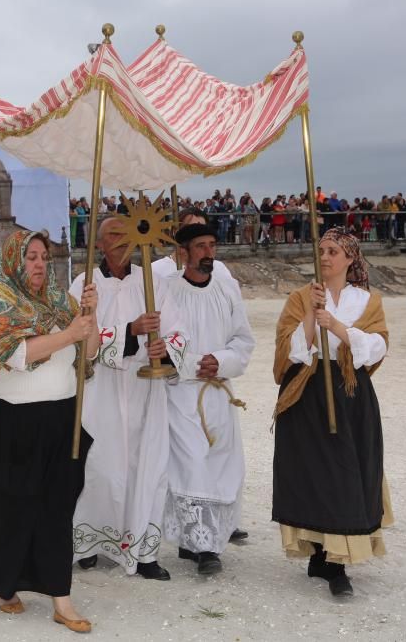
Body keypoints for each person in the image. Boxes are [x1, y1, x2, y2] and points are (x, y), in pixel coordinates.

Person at [0, 230, 100, 633]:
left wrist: (90, 316)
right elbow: (16, 354)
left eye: (44, 257)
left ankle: (61, 599)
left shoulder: (62, 301)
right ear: (13, 259)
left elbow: (92, 351)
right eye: (30, 256)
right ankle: (4, 583)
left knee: (57, 509)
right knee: (11, 508)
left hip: (62, 418)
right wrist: (70, 334)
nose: (38, 264)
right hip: (14, 422)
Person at [272, 227, 392, 597]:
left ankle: (337, 561)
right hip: (308, 393)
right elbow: (289, 351)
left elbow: (378, 347)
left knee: (346, 471)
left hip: (350, 395)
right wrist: (311, 312)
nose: (325, 257)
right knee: (314, 473)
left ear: (350, 258)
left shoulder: (367, 301)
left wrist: (338, 327)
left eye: (333, 251)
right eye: (321, 250)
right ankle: (321, 553)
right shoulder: (300, 297)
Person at [71, 217, 189, 581]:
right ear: (101, 243)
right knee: (99, 468)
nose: (122, 244)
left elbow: (179, 331)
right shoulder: (85, 284)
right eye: (114, 237)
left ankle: (144, 552)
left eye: (127, 237)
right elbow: (78, 335)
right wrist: (131, 333)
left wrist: (164, 349)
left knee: (147, 468)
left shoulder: (152, 283)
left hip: (144, 390)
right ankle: (89, 543)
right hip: (101, 390)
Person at [161, 224, 255, 575]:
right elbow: (162, 339)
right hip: (182, 393)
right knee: (191, 464)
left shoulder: (228, 289)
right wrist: (192, 364)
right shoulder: (166, 290)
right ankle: (204, 549)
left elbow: (243, 340)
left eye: (212, 245)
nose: (208, 252)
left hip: (220, 392)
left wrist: (222, 360)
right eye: (200, 246)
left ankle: (203, 540)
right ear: (183, 253)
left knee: (221, 464)